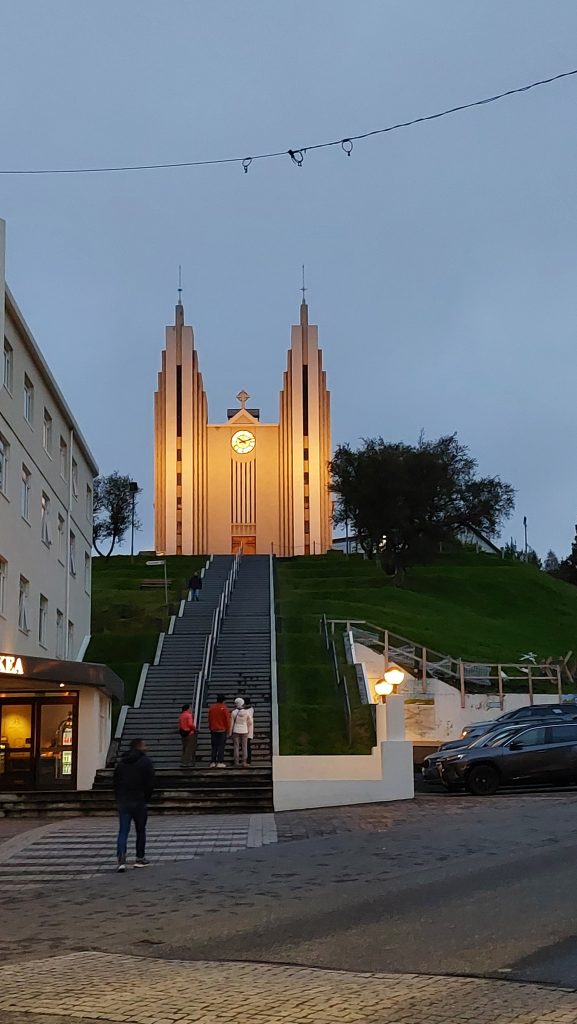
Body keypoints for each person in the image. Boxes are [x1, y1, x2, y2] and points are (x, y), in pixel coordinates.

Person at [113, 738, 155, 872]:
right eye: (144, 745)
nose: (146, 747)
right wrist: (146, 797)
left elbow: (115, 782)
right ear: (140, 747)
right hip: (139, 800)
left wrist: (118, 797)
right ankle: (140, 858)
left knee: (123, 831)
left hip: (124, 800)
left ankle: (121, 860)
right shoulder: (146, 762)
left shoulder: (122, 763)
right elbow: (150, 783)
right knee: (140, 830)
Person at [208, 694, 231, 768]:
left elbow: (209, 719)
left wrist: (210, 727)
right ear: (223, 701)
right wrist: (228, 729)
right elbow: (227, 720)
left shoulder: (212, 708)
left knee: (214, 746)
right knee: (221, 746)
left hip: (213, 729)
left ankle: (213, 762)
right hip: (222, 730)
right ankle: (220, 762)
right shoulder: (224, 708)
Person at [229, 697, 253, 768]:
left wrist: (230, 732)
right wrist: (246, 726)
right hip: (244, 730)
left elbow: (231, 723)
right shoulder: (246, 712)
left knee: (236, 746)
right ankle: (244, 762)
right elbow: (250, 722)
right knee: (244, 747)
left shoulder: (233, 712)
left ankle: (236, 762)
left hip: (236, 731)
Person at [178, 703, 197, 768]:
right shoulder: (189, 715)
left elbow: (180, 725)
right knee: (189, 748)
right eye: (190, 708)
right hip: (189, 733)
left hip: (183, 733)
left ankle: (183, 762)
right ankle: (187, 762)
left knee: (184, 748)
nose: (191, 709)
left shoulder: (181, 715)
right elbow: (190, 724)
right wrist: (195, 729)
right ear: (188, 708)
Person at [244, 696, 254, 765]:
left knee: (247, 745)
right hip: (248, 730)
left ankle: (247, 760)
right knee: (247, 745)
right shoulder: (251, 709)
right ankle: (247, 760)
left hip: (246, 730)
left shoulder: (247, 711)